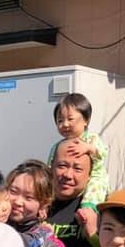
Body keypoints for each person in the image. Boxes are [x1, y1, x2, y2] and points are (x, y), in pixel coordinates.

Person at [46, 92, 110, 235]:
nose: (65, 124)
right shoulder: (57, 146)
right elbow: (48, 167)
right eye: (60, 120)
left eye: (70, 119)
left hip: (96, 179)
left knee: (93, 192)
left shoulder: (91, 139)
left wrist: (89, 148)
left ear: (86, 120)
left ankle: (89, 210)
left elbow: (103, 152)